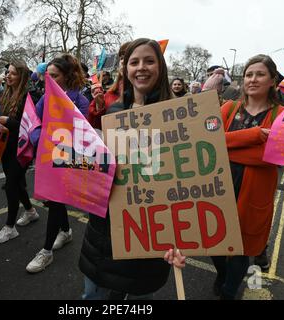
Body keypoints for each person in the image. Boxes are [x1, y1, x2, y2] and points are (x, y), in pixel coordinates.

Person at [78, 38, 184, 300]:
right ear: (125, 69)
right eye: (134, 62)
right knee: (93, 296)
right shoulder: (114, 112)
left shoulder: (180, 116)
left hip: (152, 232)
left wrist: (185, 238)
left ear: (161, 67)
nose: (141, 68)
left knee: (138, 297)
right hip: (106, 230)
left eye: (149, 61)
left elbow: (187, 184)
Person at [213, 54, 284, 299]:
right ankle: (221, 274)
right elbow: (208, 143)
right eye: (248, 74)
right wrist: (254, 136)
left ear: (272, 80)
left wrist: (229, 147)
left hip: (253, 193)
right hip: (220, 187)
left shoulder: (283, 116)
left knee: (241, 249)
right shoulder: (228, 108)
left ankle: (229, 291)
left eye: (260, 74)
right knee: (214, 241)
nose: (252, 79)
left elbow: (271, 158)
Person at [26, 53, 89, 273]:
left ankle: (46, 252)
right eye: (46, 75)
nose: (48, 80)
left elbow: (81, 135)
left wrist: (56, 139)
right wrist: (38, 138)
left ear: (68, 76)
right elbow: (35, 123)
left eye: (54, 76)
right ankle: (66, 231)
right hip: (45, 157)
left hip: (66, 159)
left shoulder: (81, 102)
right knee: (55, 201)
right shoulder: (44, 98)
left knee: (55, 198)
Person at [0, 60, 39, 244]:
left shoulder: (29, 96)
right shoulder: (6, 93)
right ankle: (30, 211)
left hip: (22, 149)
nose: (8, 75)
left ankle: (10, 227)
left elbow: (31, 127)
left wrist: (6, 121)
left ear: (22, 76)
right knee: (17, 184)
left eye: (13, 73)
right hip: (6, 146)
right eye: (8, 72)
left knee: (11, 185)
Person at [87, 42, 131, 130]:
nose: (123, 61)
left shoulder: (155, 95)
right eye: (122, 58)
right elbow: (96, 129)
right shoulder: (108, 96)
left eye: (130, 57)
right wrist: (99, 108)